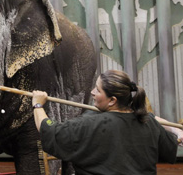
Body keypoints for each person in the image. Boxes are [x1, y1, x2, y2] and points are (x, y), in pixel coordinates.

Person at [32, 69, 183, 175]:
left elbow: (47, 129)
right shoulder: (147, 122)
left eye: (97, 90)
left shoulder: (89, 123)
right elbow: (151, 119)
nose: (92, 92)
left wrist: (38, 105)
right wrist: (177, 131)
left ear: (112, 100)